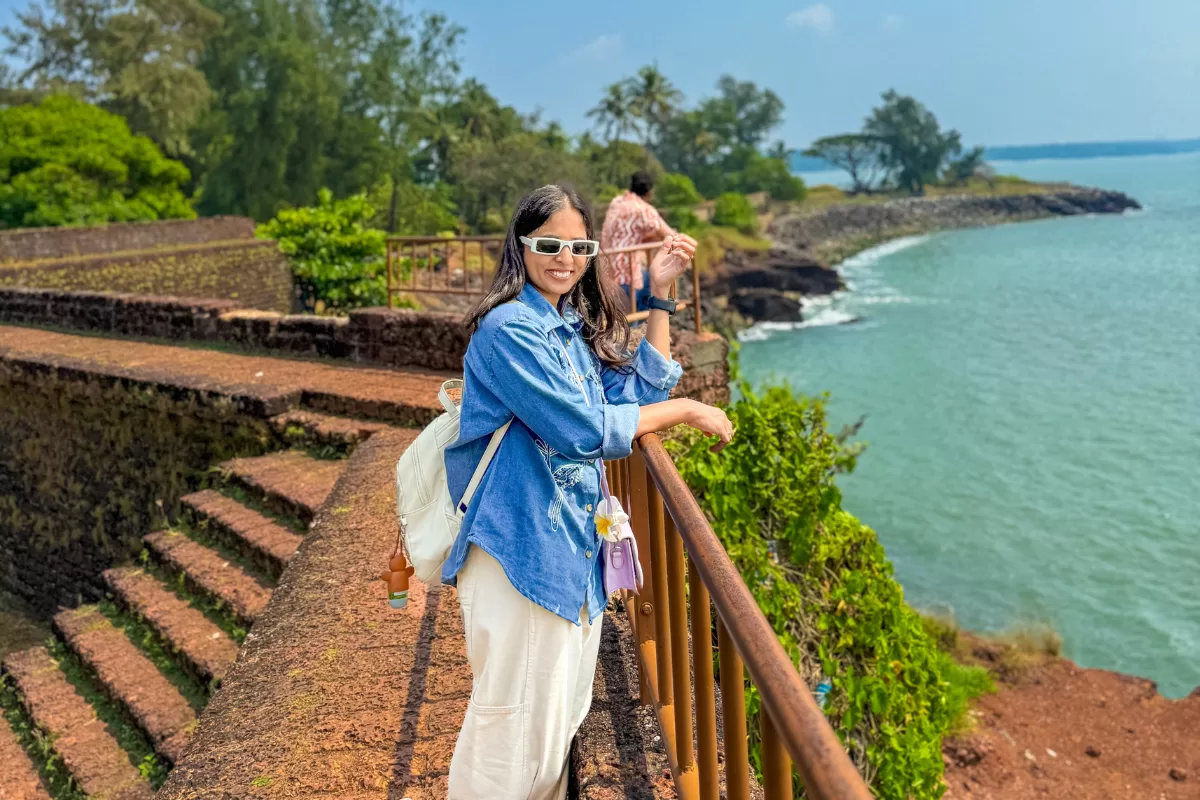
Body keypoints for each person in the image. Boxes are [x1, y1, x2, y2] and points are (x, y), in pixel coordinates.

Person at [442, 184, 734, 799]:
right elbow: (583, 430)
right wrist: (687, 409)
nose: (566, 258)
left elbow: (636, 396)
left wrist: (658, 297)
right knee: (510, 729)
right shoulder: (510, 331)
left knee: (555, 731)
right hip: (521, 553)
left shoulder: (565, 329)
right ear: (521, 247)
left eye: (579, 245)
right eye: (550, 244)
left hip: (573, 555)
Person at [600, 171, 681, 313]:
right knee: (653, 284)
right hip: (626, 272)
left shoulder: (617, 202)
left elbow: (626, 235)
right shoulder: (643, 209)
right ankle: (651, 321)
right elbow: (670, 234)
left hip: (606, 269)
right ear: (650, 192)